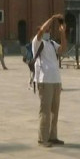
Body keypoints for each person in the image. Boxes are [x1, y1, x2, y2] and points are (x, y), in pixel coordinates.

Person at [32, 14, 67, 148]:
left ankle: (53, 136)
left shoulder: (52, 43)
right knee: (45, 110)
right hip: (44, 80)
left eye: (49, 31)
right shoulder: (37, 41)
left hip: (56, 80)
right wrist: (52, 18)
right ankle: (42, 138)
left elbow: (63, 49)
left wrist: (62, 34)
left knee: (54, 111)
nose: (48, 32)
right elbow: (41, 30)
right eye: (46, 30)